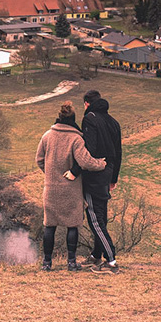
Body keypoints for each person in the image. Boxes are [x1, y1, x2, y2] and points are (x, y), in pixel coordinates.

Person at [35, 103, 106, 270]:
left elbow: (39, 160)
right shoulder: (76, 139)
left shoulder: (47, 136)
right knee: (72, 225)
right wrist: (101, 164)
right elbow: (85, 162)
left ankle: (46, 263)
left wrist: (50, 173)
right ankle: (72, 263)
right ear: (73, 119)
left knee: (49, 225)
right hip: (71, 189)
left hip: (51, 188)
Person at [78, 89, 122, 272]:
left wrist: (78, 170)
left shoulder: (89, 119)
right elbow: (118, 152)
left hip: (94, 175)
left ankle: (111, 260)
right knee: (101, 217)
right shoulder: (113, 122)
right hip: (108, 173)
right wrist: (114, 178)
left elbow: (89, 150)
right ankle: (96, 256)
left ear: (86, 103)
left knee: (95, 219)